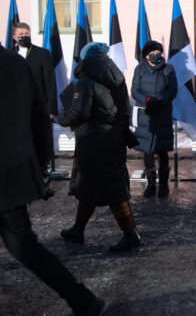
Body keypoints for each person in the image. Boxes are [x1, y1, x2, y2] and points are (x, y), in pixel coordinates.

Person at [0, 29, 106, 315]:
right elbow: (39, 118)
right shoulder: (17, 63)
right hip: (12, 176)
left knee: (25, 245)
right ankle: (84, 301)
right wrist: (40, 168)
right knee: (26, 246)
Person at [58, 42, 141, 253]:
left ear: (87, 60)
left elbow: (79, 113)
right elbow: (124, 109)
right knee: (91, 185)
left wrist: (60, 118)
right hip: (114, 138)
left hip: (93, 141)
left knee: (109, 187)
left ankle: (131, 235)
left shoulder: (86, 81)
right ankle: (78, 230)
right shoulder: (118, 78)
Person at [12, 22, 57, 192]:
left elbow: (50, 83)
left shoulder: (42, 54)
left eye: (27, 32)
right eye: (21, 33)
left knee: (39, 141)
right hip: (16, 110)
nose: (25, 35)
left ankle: (41, 175)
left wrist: (51, 108)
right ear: (15, 37)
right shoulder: (9, 55)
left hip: (37, 108)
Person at [131, 41, 178, 197]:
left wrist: (160, 100)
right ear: (146, 54)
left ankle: (163, 186)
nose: (156, 55)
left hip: (162, 113)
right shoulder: (140, 69)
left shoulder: (168, 69)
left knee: (162, 150)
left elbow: (172, 90)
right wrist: (148, 101)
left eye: (159, 52)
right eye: (153, 52)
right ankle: (151, 185)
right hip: (146, 115)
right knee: (148, 150)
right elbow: (134, 91)